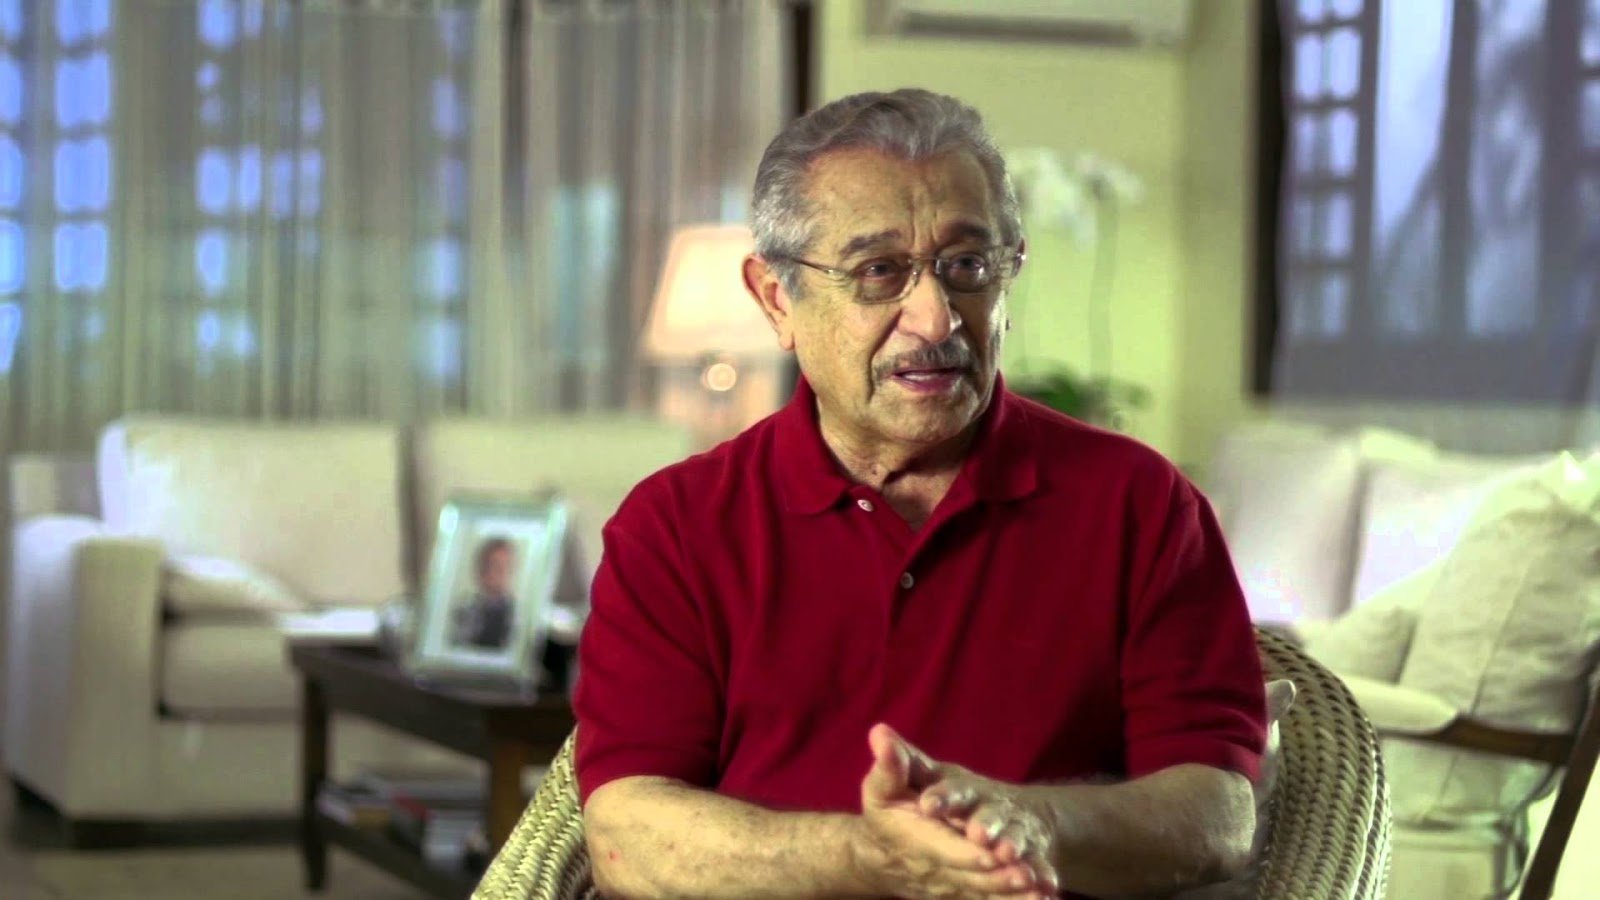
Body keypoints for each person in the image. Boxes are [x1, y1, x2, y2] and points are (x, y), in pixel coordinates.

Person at [575, 88, 1266, 900]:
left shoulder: (1139, 503)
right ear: (775, 299)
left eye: (966, 266)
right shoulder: (676, 525)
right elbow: (626, 835)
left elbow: (1218, 815)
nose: (936, 320)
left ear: (1009, 272)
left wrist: (1036, 824)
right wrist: (872, 859)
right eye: (879, 272)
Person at [452, 536, 517, 651]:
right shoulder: (464, 608)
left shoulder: (515, 614)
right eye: (492, 565)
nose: (499, 572)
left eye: (502, 567)